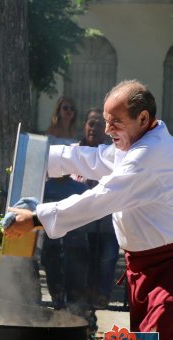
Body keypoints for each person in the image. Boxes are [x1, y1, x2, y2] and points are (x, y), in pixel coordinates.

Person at [4, 80, 173, 340]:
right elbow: (92, 159)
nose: (108, 129)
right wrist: (39, 158)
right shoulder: (133, 143)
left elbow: (100, 198)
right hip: (141, 269)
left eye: (116, 122)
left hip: (167, 272)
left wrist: (38, 217)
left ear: (144, 118)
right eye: (106, 121)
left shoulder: (150, 155)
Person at [41, 97, 91, 314]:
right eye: (65, 108)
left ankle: (72, 303)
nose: (69, 111)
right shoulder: (50, 133)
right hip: (52, 185)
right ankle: (57, 298)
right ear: (58, 110)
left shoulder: (77, 137)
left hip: (71, 187)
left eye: (72, 108)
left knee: (73, 253)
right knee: (52, 253)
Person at [72, 108, 120, 312]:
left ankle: (103, 295)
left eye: (100, 124)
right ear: (84, 126)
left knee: (108, 258)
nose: (95, 128)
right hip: (80, 222)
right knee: (81, 260)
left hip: (106, 221)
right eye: (91, 123)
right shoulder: (74, 151)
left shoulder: (114, 154)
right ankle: (79, 298)